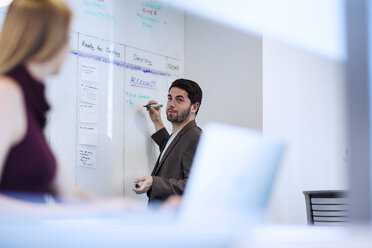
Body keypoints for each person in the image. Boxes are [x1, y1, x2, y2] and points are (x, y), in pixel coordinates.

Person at [0, 0, 139, 216]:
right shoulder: (6, 92)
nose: (69, 46)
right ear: (46, 39)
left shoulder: (30, 102)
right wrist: (57, 214)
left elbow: (69, 195)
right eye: (66, 35)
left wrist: (128, 209)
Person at [133, 79, 203, 203]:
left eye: (179, 100)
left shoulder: (194, 137)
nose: (171, 104)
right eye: (170, 98)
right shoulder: (181, 135)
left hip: (172, 218)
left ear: (194, 107)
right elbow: (170, 149)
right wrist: (156, 121)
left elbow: (195, 186)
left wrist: (154, 182)